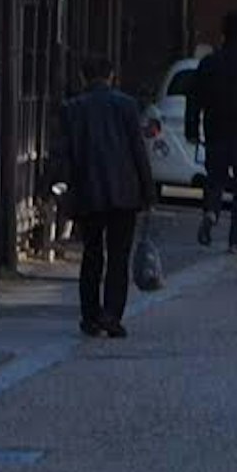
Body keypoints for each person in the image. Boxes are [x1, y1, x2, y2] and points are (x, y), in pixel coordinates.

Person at [57, 57, 159, 334]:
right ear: (112, 76)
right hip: (124, 191)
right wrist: (148, 191)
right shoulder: (126, 105)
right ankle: (112, 315)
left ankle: (90, 316)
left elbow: (63, 157)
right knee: (118, 255)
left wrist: (59, 191)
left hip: (88, 190)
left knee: (91, 254)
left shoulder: (72, 109)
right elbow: (138, 151)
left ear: (82, 77)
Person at [194, 11, 237, 247]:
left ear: (223, 34)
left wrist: (193, 127)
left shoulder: (209, 63)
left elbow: (195, 98)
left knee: (215, 177)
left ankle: (211, 210)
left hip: (215, 126)